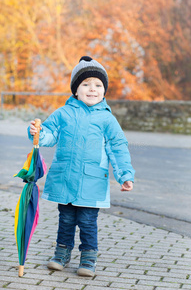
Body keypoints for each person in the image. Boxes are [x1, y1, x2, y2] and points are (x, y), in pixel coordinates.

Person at [28, 56, 135, 277]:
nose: (92, 89)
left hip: (92, 181)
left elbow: (118, 147)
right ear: (75, 90)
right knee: (65, 219)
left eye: (98, 85)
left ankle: (88, 257)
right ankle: (61, 253)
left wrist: (125, 174)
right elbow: (49, 135)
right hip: (65, 179)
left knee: (87, 221)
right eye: (85, 84)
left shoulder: (107, 120)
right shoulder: (63, 113)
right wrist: (38, 133)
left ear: (104, 91)